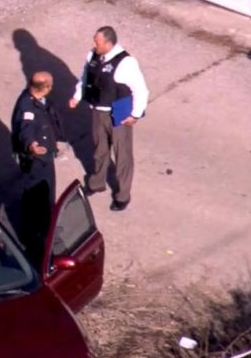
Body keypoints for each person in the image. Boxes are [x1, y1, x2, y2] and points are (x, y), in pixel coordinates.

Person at [69, 26, 149, 211]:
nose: (93, 44)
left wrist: (135, 114)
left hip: (118, 115)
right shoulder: (93, 56)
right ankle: (96, 183)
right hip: (98, 111)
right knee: (99, 150)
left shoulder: (126, 63)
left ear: (108, 43)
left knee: (122, 156)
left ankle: (122, 195)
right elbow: (85, 78)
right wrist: (77, 96)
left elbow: (140, 89)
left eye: (97, 42)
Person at [11, 71, 62, 255]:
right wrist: (31, 146)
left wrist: (53, 140)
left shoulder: (39, 101)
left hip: (44, 154)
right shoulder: (27, 106)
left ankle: (43, 228)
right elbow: (26, 129)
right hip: (37, 159)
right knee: (39, 196)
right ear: (46, 87)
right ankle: (38, 237)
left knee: (43, 193)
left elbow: (47, 121)